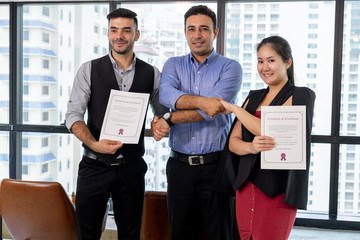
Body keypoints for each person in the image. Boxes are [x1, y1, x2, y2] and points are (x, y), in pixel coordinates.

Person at [65, 8, 168, 240]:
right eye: (114, 30)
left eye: (126, 30)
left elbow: (163, 114)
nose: (119, 36)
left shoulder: (152, 73)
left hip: (131, 168)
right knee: (87, 234)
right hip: (94, 166)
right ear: (108, 33)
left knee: (130, 234)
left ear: (136, 34)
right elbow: (73, 116)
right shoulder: (88, 70)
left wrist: (161, 122)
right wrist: (95, 144)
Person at [151, 5, 242, 240]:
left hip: (216, 166)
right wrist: (204, 102)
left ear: (215, 32)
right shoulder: (172, 65)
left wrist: (169, 118)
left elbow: (215, 109)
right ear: (185, 32)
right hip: (179, 167)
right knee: (180, 233)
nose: (197, 35)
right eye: (191, 29)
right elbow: (166, 96)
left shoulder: (230, 67)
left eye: (204, 29)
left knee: (219, 233)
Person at [219, 36, 316, 240]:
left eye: (271, 60)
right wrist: (252, 148)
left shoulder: (301, 96)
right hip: (246, 187)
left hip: (278, 191)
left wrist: (235, 108)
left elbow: (271, 130)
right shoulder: (253, 97)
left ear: (287, 62)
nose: (265, 67)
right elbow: (233, 143)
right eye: (260, 61)